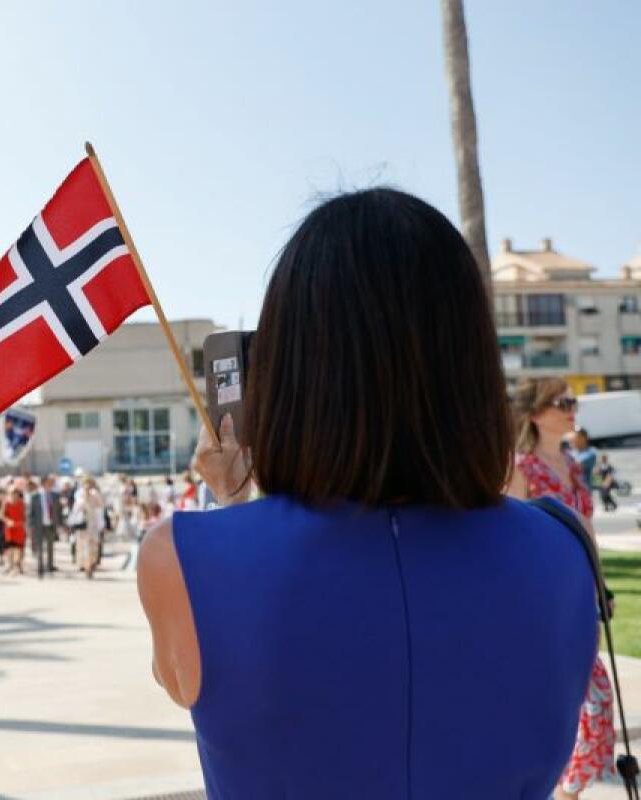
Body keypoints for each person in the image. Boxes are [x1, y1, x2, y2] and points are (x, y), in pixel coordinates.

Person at [137, 188, 598, 799]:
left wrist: (235, 509)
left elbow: (203, 680)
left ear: (288, 370)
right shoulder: (564, 545)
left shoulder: (179, 557)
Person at [507, 379, 613, 798]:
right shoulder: (519, 467)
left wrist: (600, 587)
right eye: (562, 402)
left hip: (579, 597)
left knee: (596, 703)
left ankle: (566, 792)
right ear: (535, 414)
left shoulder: (571, 463)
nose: (573, 409)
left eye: (574, 401)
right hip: (540, 602)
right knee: (556, 708)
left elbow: (587, 528)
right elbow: (509, 539)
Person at [27, 475, 61, 577]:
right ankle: (40, 567)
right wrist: (31, 525)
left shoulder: (55, 495)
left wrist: (59, 523)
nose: (51, 484)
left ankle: (50, 566)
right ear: (43, 483)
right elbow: (31, 512)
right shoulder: (35, 496)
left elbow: (58, 511)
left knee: (50, 546)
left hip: (50, 524)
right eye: (49, 482)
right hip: (39, 525)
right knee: (40, 547)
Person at [72, 476, 106, 578]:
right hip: (83, 525)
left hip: (93, 525)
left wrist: (101, 524)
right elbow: (76, 508)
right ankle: (86, 567)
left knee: (93, 547)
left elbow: (100, 507)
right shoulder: (79, 495)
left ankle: (91, 565)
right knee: (83, 547)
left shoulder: (95, 494)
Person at [2, 487, 28, 575]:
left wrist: (22, 523)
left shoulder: (23, 504)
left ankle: (19, 565)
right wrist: (8, 521)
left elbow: (25, 516)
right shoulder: (6, 503)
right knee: (9, 548)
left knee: (19, 549)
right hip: (10, 529)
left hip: (19, 528)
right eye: (12, 493)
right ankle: (10, 565)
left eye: (16, 493)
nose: (14, 495)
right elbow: (3, 515)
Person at [568, 428, 599, 494]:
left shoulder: (591, 452)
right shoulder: (570, 452)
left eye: (576, 437)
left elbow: (575, 465)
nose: (573, 439)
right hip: (570, 492)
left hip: (584, 493)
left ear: (585, 438)